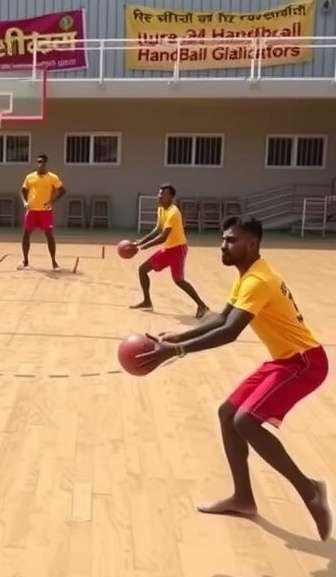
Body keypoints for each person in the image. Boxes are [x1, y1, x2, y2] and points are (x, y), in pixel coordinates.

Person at [138, 216, 331, 540]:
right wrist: (178, 336)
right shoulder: (249, 275)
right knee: (228, 414)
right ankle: (243, 498)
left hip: (304, 363)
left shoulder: (259, 281)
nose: (223, 245)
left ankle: (310, 489)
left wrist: (176, 350)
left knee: (246, 421)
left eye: (231, 240)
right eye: (224, 239)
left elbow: (229, 332)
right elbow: (222, 317)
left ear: (252, 244)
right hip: (286, 360)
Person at [128, 183, 208, 318]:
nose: (159, 196)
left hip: (178, 248)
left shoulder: (174, 212)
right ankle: (147, 301)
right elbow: (157, 230)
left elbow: (163, 236)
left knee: (178, 280)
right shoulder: (161, 209)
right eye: (159, 193)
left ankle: (202, 305)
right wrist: (140, 242)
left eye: (162, 194)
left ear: (170, 197)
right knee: (143, 270)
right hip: (168, 248)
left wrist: (145, 246)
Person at [19, 153, 66, 271]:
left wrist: (52, 201)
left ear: (46, 163)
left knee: (49, 235)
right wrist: (25, 201)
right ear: (37, 163)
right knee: (26, 235)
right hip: (32, 211)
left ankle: (54, 263)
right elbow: (22, 190)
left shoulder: (52, 177)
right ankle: (25, 262)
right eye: (38, 161)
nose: (40, 164)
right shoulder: (30, 177)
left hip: (45, 211)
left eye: (42, 162)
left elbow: (62, 190)